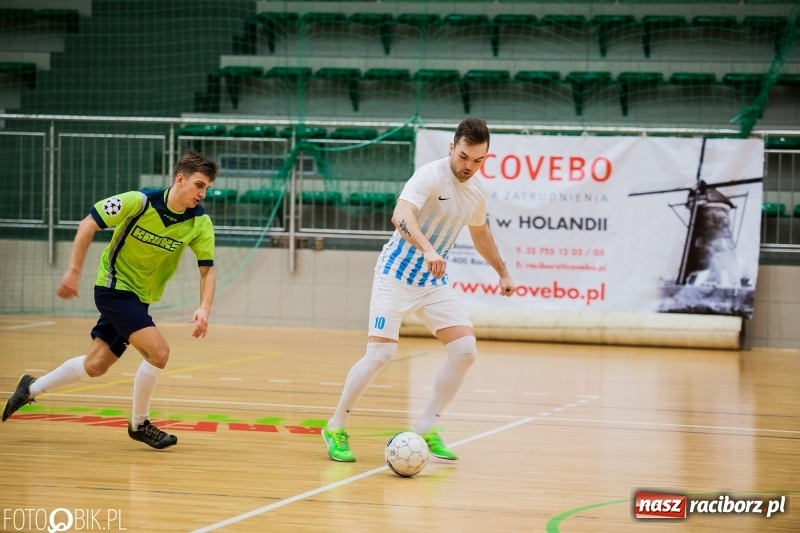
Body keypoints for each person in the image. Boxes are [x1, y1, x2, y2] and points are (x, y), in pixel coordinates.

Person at [322, 118, 516, 462]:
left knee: (465, 351)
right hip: (395, 274)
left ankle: (426, 428)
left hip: (432, 282)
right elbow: (400, 215)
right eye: (464, 157)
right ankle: (336, 426)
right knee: (380, 355)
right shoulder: (430, 175)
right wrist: (427, 248)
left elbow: (480, 232)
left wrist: (502, 272)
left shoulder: (477, 190)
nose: (468, 166)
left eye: (478, 160)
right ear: (451, 148)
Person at [1, 150, 219, 450]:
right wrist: (73, 272)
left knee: (96, 364)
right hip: (113, 287)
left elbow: (207, 271)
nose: (202, 192)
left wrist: (204, 307)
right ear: (180, 180)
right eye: (198, 184)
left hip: (139, 297)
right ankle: (139, 423)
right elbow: (88, 223)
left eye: (206, 187)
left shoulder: (200, 222)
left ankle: (29, 388)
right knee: (159, 353)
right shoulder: (140, 202)